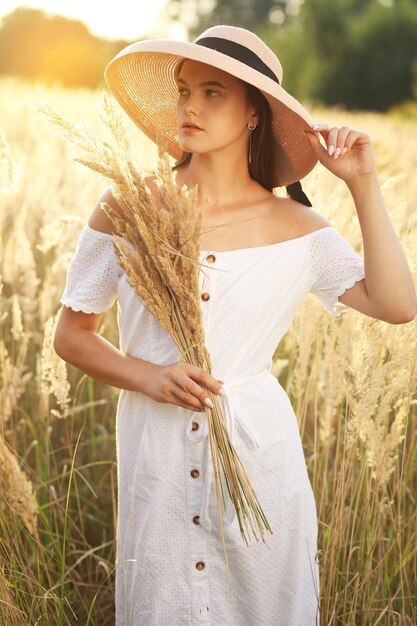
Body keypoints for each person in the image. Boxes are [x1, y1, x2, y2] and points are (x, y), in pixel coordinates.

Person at [53, 24, 417, 626]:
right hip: (157, 461)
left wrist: (363, 184)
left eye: (213, 92)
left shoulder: (297, 228)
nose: (189, 106)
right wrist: (147, 375)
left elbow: (399, 304)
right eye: (184, 90)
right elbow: (71, 334)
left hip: (258, 459)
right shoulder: (131, 207)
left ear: (255, 113)